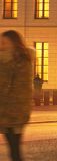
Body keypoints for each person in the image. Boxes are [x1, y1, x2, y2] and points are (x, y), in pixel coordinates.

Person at [0, 30, 34, 161]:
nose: (1, 46)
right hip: (14, 112)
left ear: (13, 44)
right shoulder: (20, 59)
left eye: (4, 43)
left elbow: (8, 87)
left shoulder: (14, 61)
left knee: (14, 151)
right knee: (14, 150)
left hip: (12, 113)